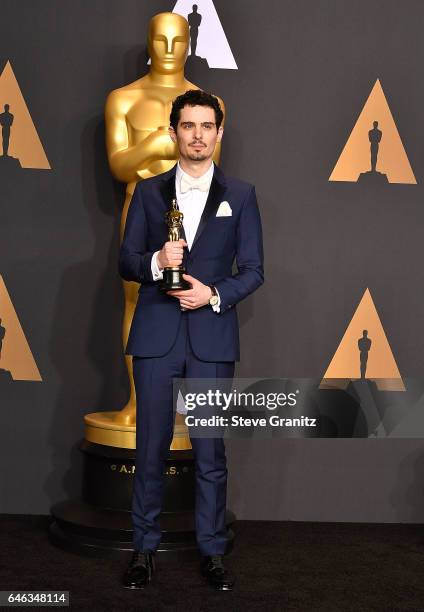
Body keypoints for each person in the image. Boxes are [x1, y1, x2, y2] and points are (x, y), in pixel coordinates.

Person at [119, 89, 264, 591]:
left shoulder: (241, 195)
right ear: (174, 131)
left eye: (207, 126)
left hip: (210, 340)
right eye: (189, 125)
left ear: (219, 133)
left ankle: (212, 552)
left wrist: (212, 294)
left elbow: (254, 271)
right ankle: (143, 550)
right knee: (150, 450)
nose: (198, 134)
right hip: (157, 337)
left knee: (209, 454)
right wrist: (159, 261)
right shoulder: (149, 191)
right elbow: (126, 260)